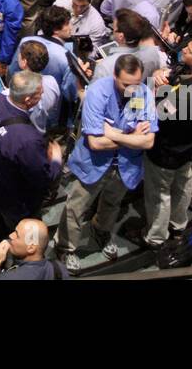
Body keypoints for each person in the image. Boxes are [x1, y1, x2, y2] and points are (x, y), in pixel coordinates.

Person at [56, 53, 157, 273]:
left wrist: (114, 133)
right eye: (126, 84)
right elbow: (95, 143)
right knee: (76, 209)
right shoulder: (97, 93)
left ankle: (100, 231)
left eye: (136, 84)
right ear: (114, 76)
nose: (132, 89)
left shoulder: (144, 93)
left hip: (125, 167)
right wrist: (132, 137)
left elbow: (148, 141)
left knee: (112, 204)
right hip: (93, 165)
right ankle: (65, 247)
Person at [0, 70, 64, 264]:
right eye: (40, 92)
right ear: (29, 99)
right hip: (17, 200)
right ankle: (23, 269)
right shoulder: (28, 140)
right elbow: (43, 177)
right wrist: (56, 160)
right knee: (25, 236)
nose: (42, 95)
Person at [144, 35, 192, 249]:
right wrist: (162, 74)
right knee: (182, 185)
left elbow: (159, 112)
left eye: (188, 51)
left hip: (167, 150)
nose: (183, 52)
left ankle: (155, 237)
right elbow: (177, 71)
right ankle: (179, 225)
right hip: (190, 147)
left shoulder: (188, 96)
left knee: (160, 194)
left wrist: (154, 89)